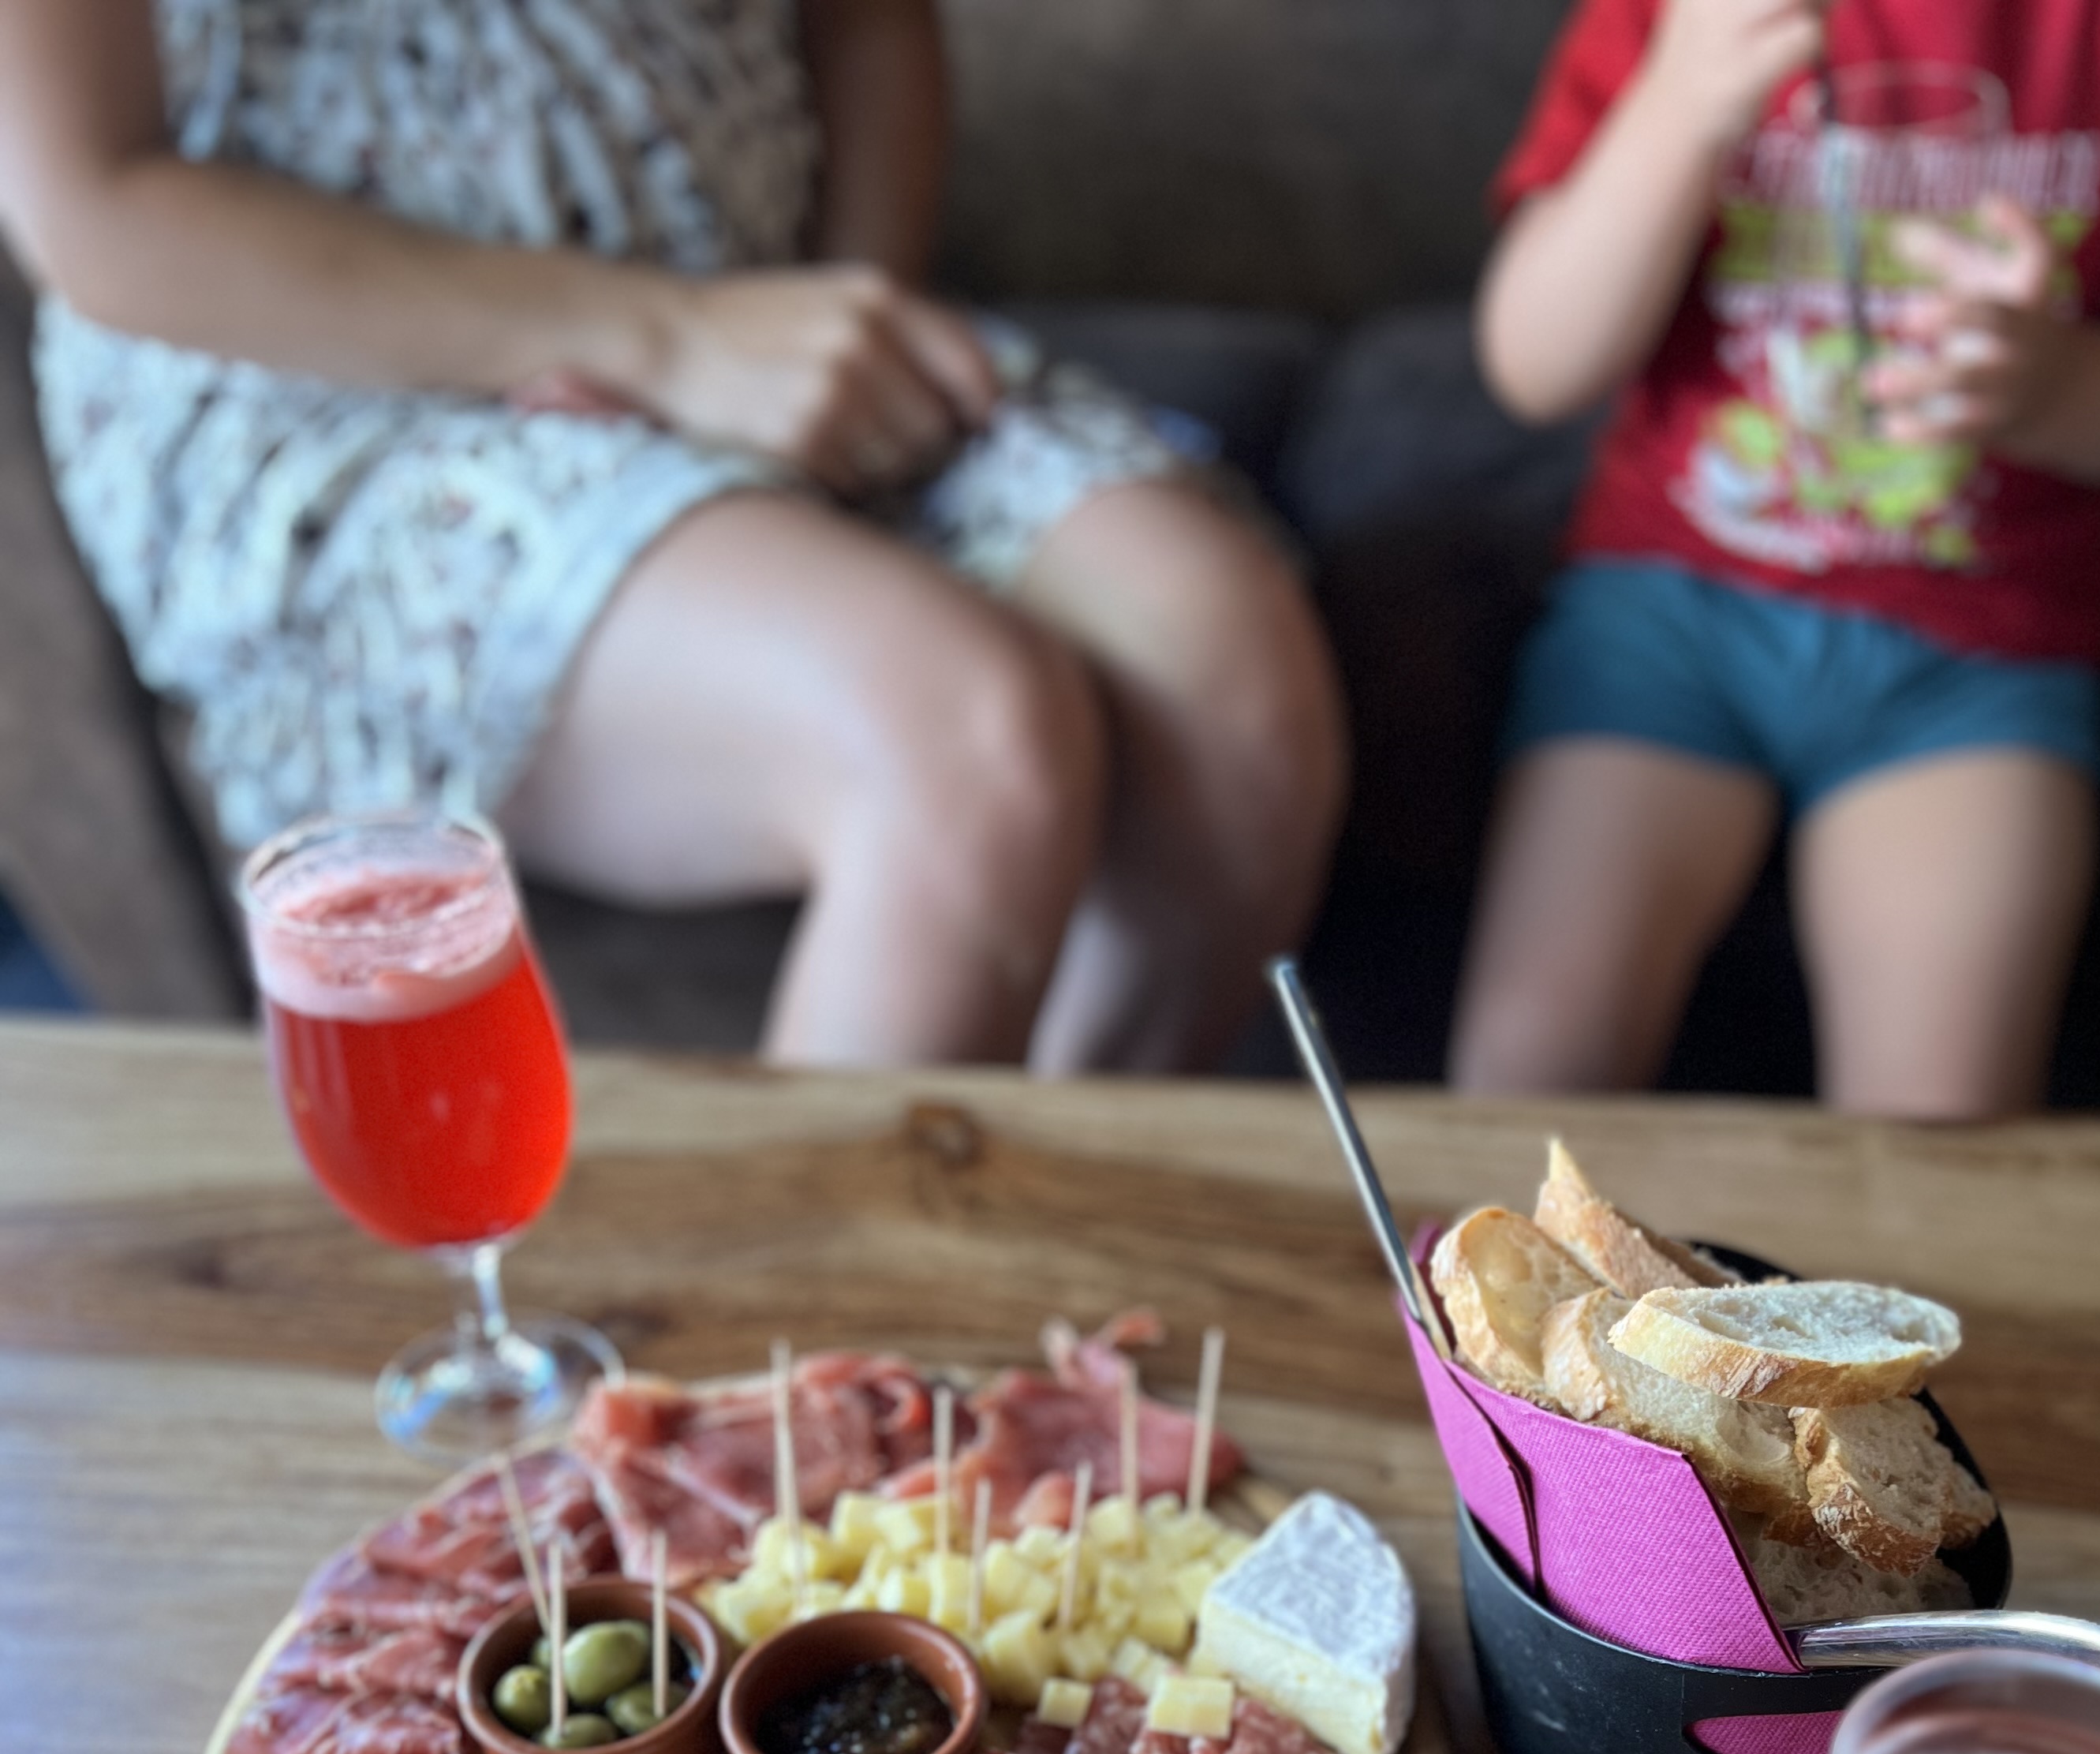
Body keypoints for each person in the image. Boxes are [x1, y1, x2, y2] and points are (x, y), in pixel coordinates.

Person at [0, 0, 1347, 1074]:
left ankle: (1031, 1275)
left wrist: (831, 328)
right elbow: (92, 196)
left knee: (1230, 676)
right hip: (342, 393)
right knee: (966, 735)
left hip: (761, 308)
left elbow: (867, 24)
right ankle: (821, 1342)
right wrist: (660, 339)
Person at [1451, 0, 2100, 1116]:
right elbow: (1533, 363)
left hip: (1979, 653)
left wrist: (2056, 385)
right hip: (1666, 618)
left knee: (1937, 1135)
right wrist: (1678, 107)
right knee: (1529, 1079)